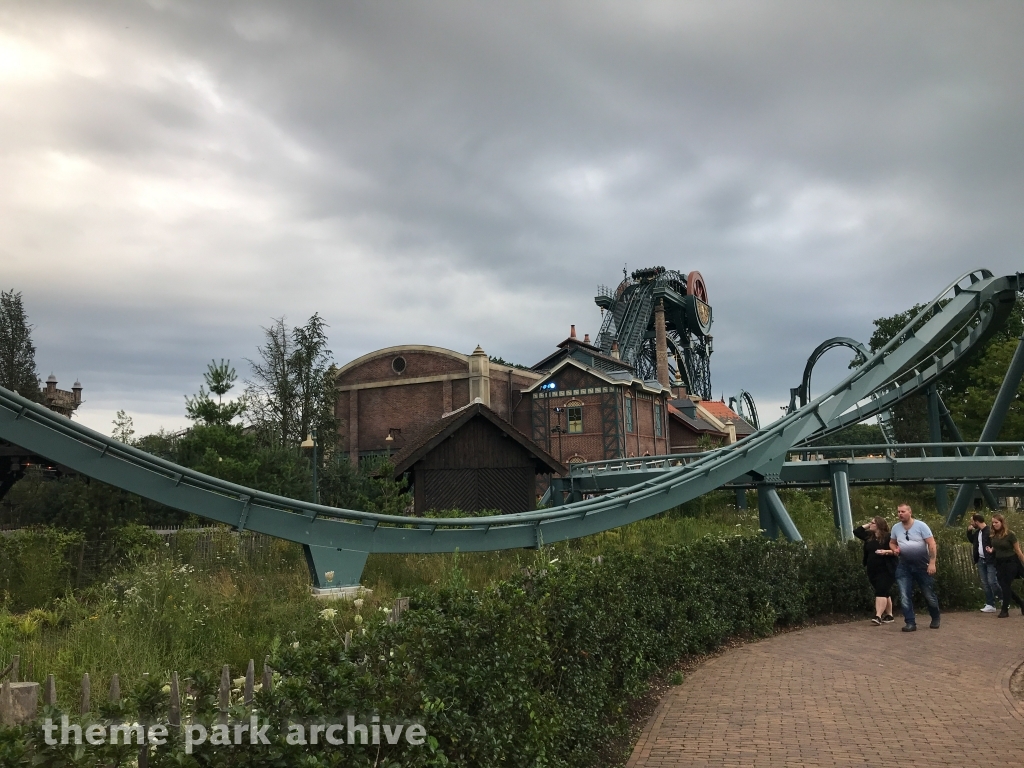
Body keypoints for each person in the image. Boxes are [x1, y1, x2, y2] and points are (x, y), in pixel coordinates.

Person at [889, 503, 940, 631]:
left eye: (903, 511)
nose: (900, 514)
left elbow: (931, 544)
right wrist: (894, 549)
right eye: (898, 512)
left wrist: (932, 562)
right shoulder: (896, 528)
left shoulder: (921, 526)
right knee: (904, 595)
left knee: (928, 594)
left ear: (910, 512)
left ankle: (935, 616)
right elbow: (892, 542)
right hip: (904, 565)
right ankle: (910, 622)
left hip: (922, 565)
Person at [854, 516, 898, 624]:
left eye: (873, 523)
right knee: (884, 591)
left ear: (879, 525)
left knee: (880, 591)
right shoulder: (869, 536)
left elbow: (897, 551)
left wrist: (886, 552)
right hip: (873, 569)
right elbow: (857, 531)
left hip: (887, 569)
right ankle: (889, 615)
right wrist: (868, 525)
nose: (870, 524)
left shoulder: (889, 537)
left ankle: (878, 616)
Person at [986, 513, 1024, 618]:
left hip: (1011, 562)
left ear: (1002, 523)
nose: (994, 524)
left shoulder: (1010, 535)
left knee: (1005, 585)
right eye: (993, 522)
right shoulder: (993, 534)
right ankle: (1021, 603)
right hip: (999, 562)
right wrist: (991, 550)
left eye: (996, 522)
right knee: (1004, 586)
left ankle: (1004, 610)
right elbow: (996, 546)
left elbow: (1017, 550)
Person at [966, 513, 1000, 612]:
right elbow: (973, 541)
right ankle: (990, 603)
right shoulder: (978, 532)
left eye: (972, 521)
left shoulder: (989, 531)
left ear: (976, 521)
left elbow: (996, 543)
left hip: (989, 560)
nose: (971, 523)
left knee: (992, 581)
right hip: (981, 559)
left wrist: (992, 552)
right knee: (985, 583)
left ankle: (1003, 598)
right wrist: (969, 532)